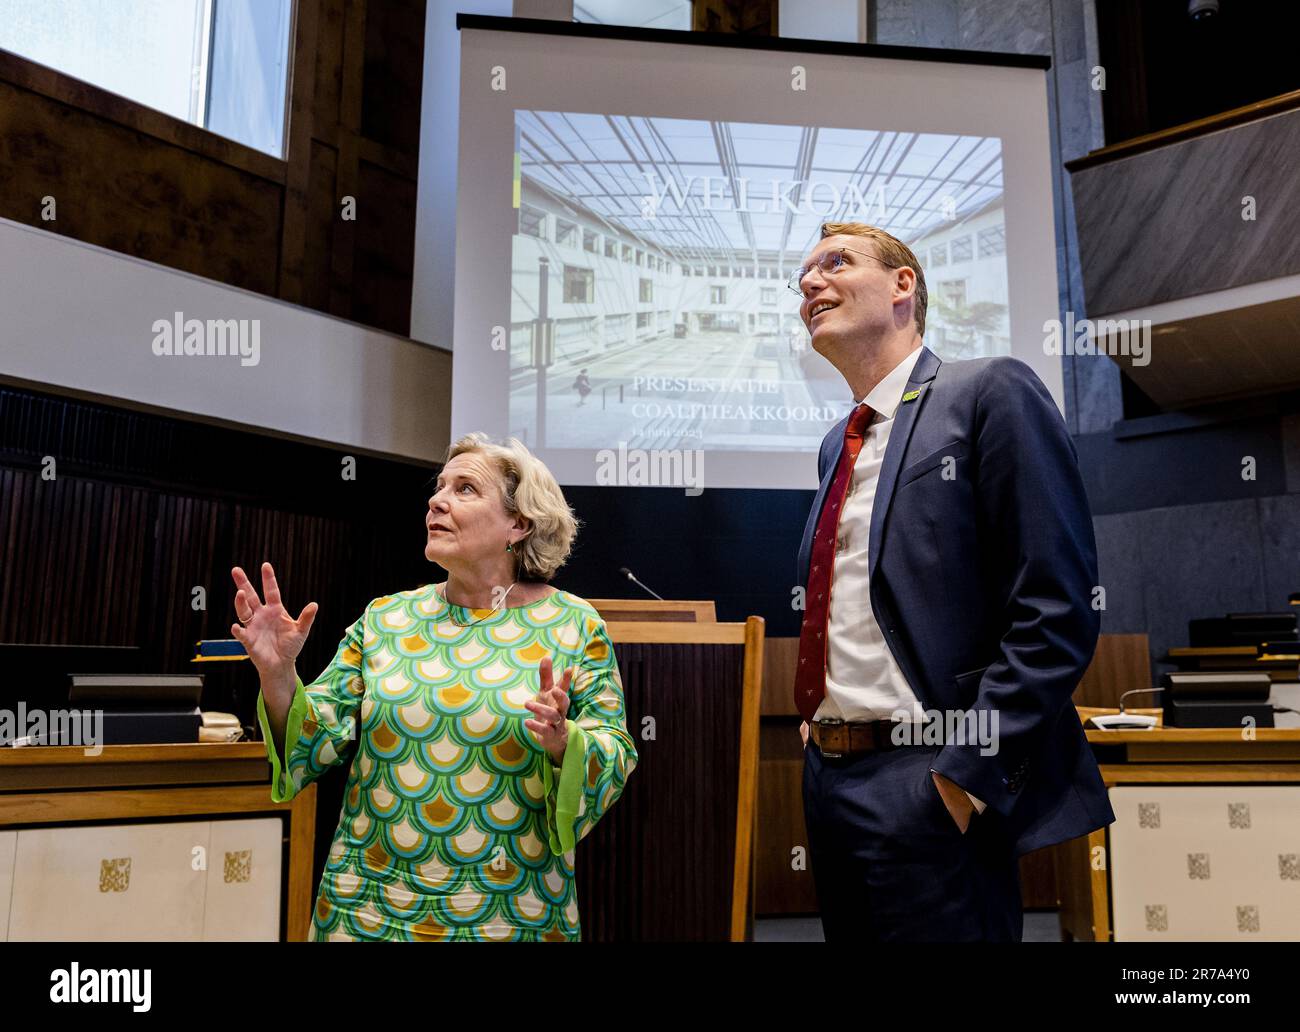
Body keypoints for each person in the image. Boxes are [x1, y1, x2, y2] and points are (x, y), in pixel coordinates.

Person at [790, 221, 1114, 942]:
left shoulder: (989, 390)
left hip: (929, 777)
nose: (810, 284)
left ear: (903, 284)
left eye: (834, 264)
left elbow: (1057, 611)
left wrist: (961, 777)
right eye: (802, 278)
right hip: (831, 781)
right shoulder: (835, 444)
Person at [232, 433, 636, 941]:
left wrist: (563, 744)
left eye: (465, 489)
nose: (436, 500)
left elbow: (615, 752)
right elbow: (312, 743)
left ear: (519, 523)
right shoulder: (386, 618)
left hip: (508, 913)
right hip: (368, 909)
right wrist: (276, 674)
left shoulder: (574, 625)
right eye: (439, 487)